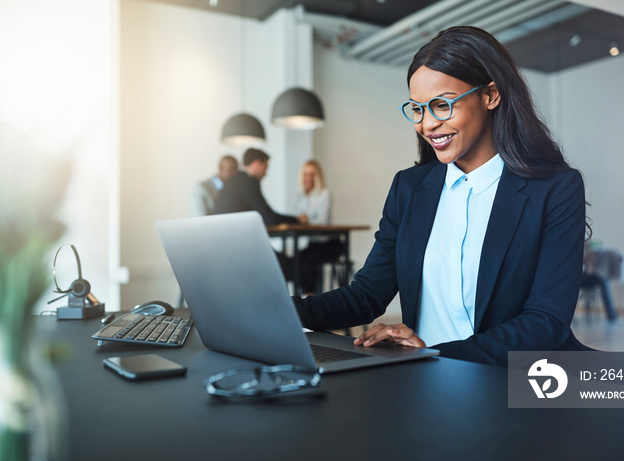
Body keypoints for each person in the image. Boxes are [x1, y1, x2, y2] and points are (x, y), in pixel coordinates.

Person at [292, 26, 589, 366]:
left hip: (513, 382)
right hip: (427, 381)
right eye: (417, 109)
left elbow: (545, 322)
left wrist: (434, 355)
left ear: (490, 95)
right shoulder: (409, 188)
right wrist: (274, 309)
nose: (427, 124)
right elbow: (366, 296)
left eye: (442, 105)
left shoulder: (555, 189)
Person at [214, 148, 306, 225]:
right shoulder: (248, 182)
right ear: (257, 164)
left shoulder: (235, 180)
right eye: (265, 168)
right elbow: (269, 218)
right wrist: (296, 220)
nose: (266, 174)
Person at [296, 160, 342, 294]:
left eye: (312, 174)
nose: (308, 178)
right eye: (306, 174)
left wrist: (304, 220)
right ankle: (304, 298)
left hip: (329, 244)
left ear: (318, 176)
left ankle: (313, 299)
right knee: (296, 262)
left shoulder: (325, 194)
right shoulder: (300, 197)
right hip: (313, 244)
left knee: (308, 264)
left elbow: (323, 221)